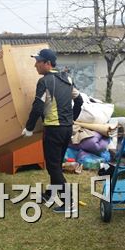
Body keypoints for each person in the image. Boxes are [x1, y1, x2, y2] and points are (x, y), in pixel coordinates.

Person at [22, 48, 83, 214]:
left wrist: (28, 128)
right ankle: (51, 193)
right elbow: (79, 100)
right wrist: (71, 119)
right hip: (66, 129)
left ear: (47, 63)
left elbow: (37, 107)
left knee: (53, 167)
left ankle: (69, 203)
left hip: (54, 130)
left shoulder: (45, 82)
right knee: (55, 163)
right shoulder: (67, 78)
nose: (35, 65)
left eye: (38, 61)